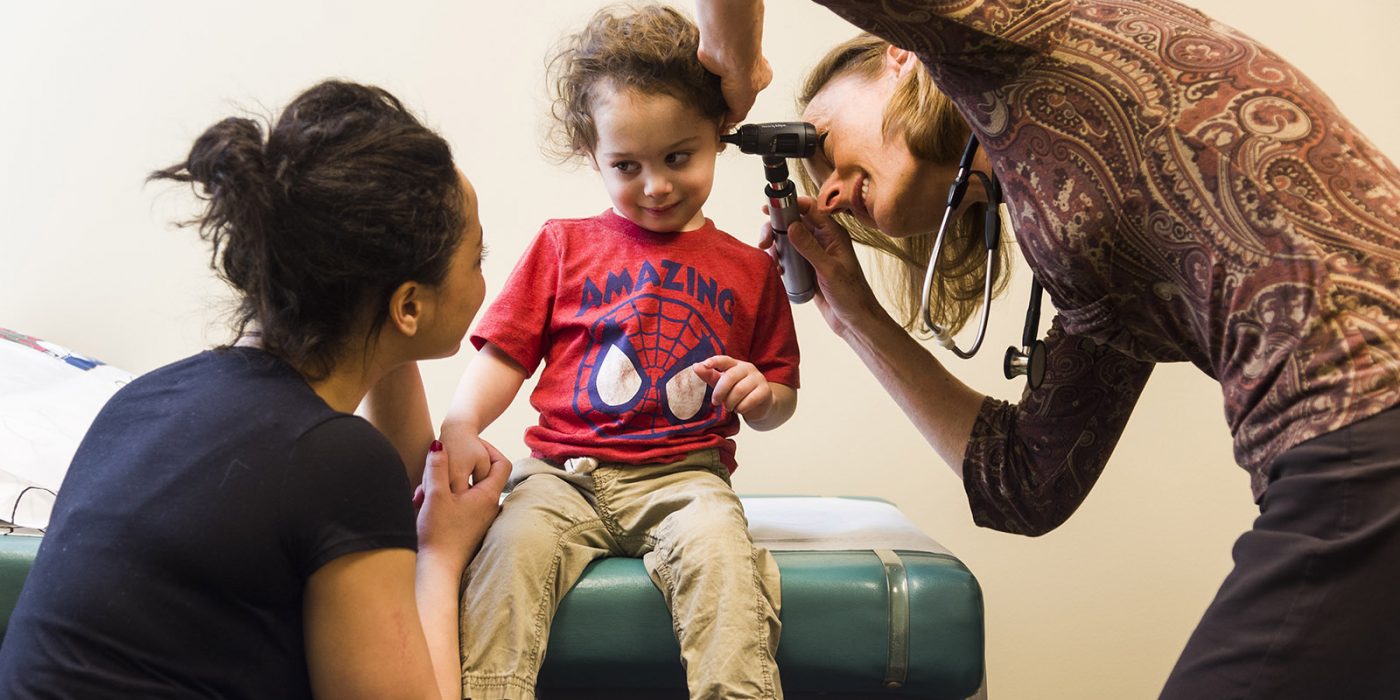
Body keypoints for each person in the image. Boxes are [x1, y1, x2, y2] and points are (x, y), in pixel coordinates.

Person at [695, 0, 1400, 697]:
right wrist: (855, 318)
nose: (829, 193)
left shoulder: (1007, 28)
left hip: (1362, 413)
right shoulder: (1092, 251)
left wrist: (732, 64)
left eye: (821, 144)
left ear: (900, 55)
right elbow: (1026, 483)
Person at [0, 80, 510, 700]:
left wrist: (383, 336)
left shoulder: (144, 401)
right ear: (408, 305)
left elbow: (394, 487)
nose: (485, 274)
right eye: (477, 256)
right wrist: (441, 556)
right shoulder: (335, 461)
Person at [436, 5, 799, 699]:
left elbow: (780, 396)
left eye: (678, 157)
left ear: (719, 136)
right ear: (591, 154)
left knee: (726, 563)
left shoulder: (753, 270)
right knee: (507, 558)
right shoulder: (562, 245)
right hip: (562, 476)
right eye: (626, 166)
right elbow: (506, 353)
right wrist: (461, 422)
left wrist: (762, 395)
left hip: (687, 481)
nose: (656, 185)